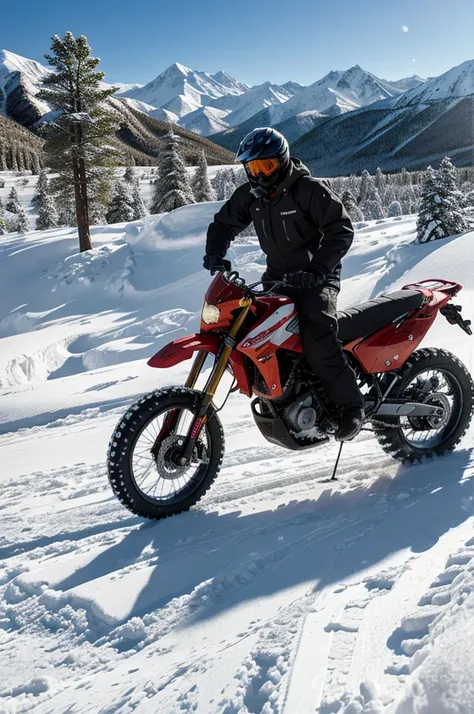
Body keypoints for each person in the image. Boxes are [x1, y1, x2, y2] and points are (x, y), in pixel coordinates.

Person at [203, 127, 364, 441]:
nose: (260, 175)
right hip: (277, 280)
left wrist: (318, 269)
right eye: (253, 168)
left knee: (317, 337)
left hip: (318, 279)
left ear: (282, 161)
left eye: (267, 167)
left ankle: (352, 406)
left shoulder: (308, 189)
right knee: (253, 331)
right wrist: (214, 253)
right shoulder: (252, 197)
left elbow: (341, 229)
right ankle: (289, 392)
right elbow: (223, 223)